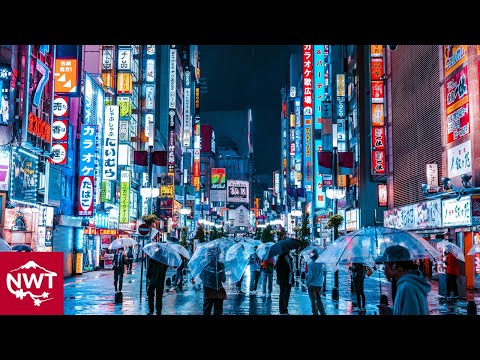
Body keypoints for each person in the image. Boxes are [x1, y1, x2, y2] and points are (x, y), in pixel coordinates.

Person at [380, 244, 431, 315]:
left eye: (385, 264)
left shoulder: (407, 287)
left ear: (394, 265)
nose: (384, 268)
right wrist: (389, 311)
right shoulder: (406, 284)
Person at [200, 247, 227, 315]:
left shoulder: (203, 264)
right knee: (218, 312)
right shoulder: (221, 265)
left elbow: (201, 277)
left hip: (207, 291)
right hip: (218, 292)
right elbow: (224, 279)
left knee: (206, 311)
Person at [305, 248, 326, 315]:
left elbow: (310, 275)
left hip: (312, 285)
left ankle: (315, 313)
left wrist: (307, 282)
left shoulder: (311, 264)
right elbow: (325, 272)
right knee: (319, 299)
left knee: (313, 301)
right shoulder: (321, 263)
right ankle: (322, 312)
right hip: (319, 284)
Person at [275, 249, 294, 314]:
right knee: (283, 293)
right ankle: (282, 309)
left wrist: (293, 280)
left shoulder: (290, 258)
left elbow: (292, 270)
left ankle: (285, 307)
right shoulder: (280, 258)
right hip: (283, 278)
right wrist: (278, 278)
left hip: (289, 279)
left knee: (287, 294)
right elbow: (278, 269)